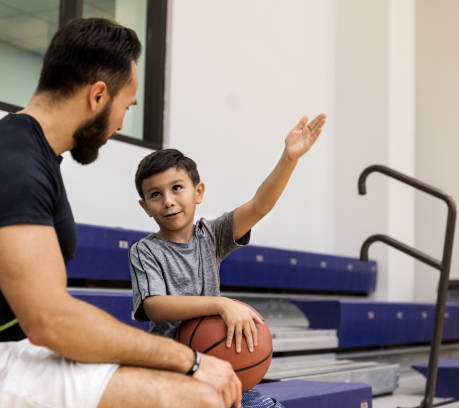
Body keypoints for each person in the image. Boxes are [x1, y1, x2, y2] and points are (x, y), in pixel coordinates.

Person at [0, 18, 244, 408]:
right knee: (197, 395)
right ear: (98, 95)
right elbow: (52, 321)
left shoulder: (35, 155)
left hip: (17, 359)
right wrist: (188, 359)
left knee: (180, 380)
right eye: (126, 107)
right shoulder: (15, 163)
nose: (121, 123)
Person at [129, 115, 326, 406]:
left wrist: (289, 158)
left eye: (177, 188)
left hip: (215, 368)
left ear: (199, 192)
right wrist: (221, 304)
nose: (168, 200)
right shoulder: (144, 251)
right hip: (171, 373)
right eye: (156, 195)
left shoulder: (211, 235)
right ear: (146, 207)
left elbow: (259, 205)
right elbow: (154, 306)